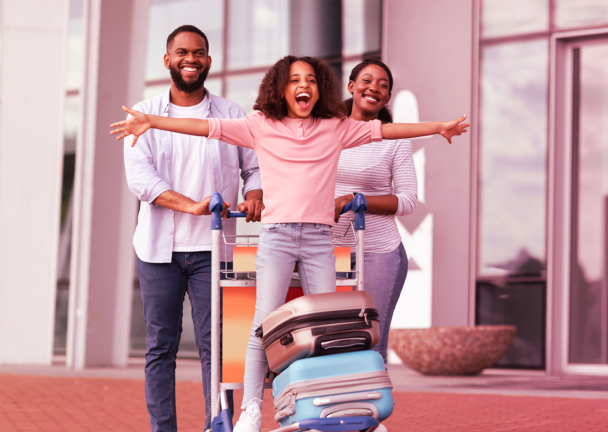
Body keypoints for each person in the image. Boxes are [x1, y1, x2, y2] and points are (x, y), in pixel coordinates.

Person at [110, 54, 469, 432]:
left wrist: (437, 127)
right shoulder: (260, 125)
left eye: (311, 80)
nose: (304, 86)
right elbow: (206, 127)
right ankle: (251, 409)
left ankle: (334, 405)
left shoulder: (336, 127)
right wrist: (151, 121)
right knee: (261, 326)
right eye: (296, 79)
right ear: (281, 88)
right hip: (277, 237)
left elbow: (386, 132)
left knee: (329, 327)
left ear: (321, 89)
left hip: (319, 239)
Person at [122, 25, 263, 432]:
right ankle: (162, 428)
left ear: (209, 61)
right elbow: (142, 181)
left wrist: (254, 194)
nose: (191, 59)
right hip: (157, 251)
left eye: (199, 52)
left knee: (217, 348)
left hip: (213, 250)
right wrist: (193, 206)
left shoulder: (233, 114)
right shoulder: (143, 114)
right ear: (167, 60)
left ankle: (216, 425)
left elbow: (253, 168)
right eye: (182, 52)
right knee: (160, 348)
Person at [333, 60, 415, 366]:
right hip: (327, 249)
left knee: (370, 343)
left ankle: (369, 413)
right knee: (330, 340)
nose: (374, 88)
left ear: (388, 97)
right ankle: (335, 412)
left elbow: (407, 200)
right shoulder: (326, 130)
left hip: (379, 252)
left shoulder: (394, 138)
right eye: (367, 80)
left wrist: (356, 200)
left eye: (383, 85)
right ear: (352, 86)